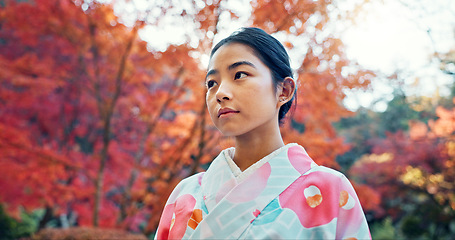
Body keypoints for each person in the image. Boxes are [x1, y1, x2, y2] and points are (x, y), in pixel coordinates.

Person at [155, 27, 371, 239]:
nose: (220, 93)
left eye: (239, 75)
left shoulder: (329, 189)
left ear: (284, 91)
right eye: (212, 83)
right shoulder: (186, 193)